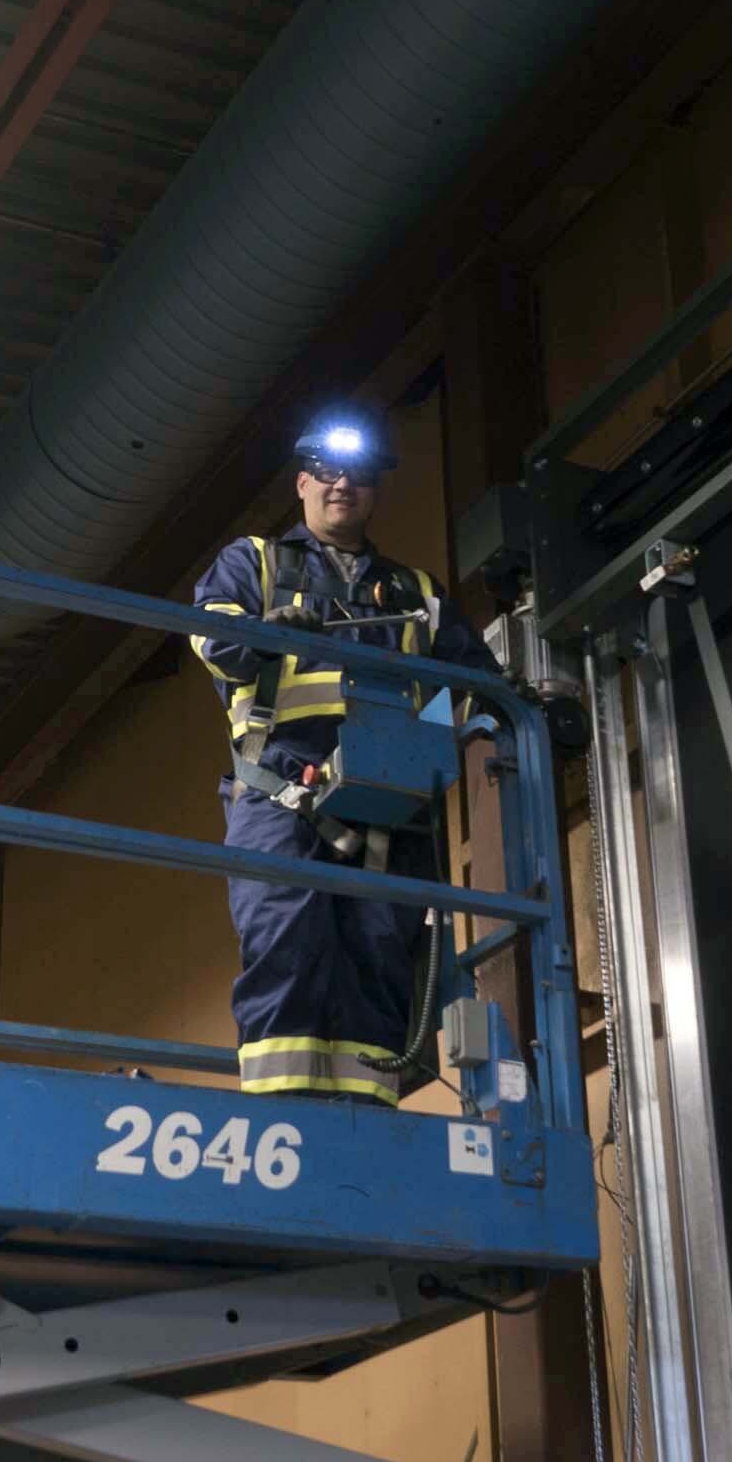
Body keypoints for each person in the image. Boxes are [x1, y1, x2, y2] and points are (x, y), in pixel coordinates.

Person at [188, 405, 500, 1105]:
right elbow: (210, 638)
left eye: (358, 475)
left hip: (387, 803)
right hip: (280, 790)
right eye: (327, 473)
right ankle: (283, 1115)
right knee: (284, 938)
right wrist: (268, 632)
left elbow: (480, 681)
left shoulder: (415, 594)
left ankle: (365, 1116)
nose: (342, 486)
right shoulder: (255, 562)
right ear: (302, 483)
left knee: (379, 952)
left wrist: (518, 712)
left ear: (373, 491)